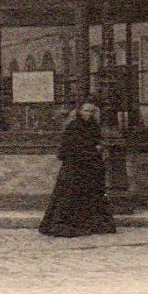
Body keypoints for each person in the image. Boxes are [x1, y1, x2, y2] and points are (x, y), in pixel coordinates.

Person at [39, 99, 117, 237]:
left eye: (92, 111)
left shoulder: (93, 127)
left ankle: (90, 224)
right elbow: (69, 149)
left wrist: (99, 149)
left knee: (90, 197)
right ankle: (63, 225)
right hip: (74, 168)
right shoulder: (74, 127)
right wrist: (94, 149)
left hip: (90, 168)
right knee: (69, 196)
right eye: (86, 110)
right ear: (79, 112)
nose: (89, 114)